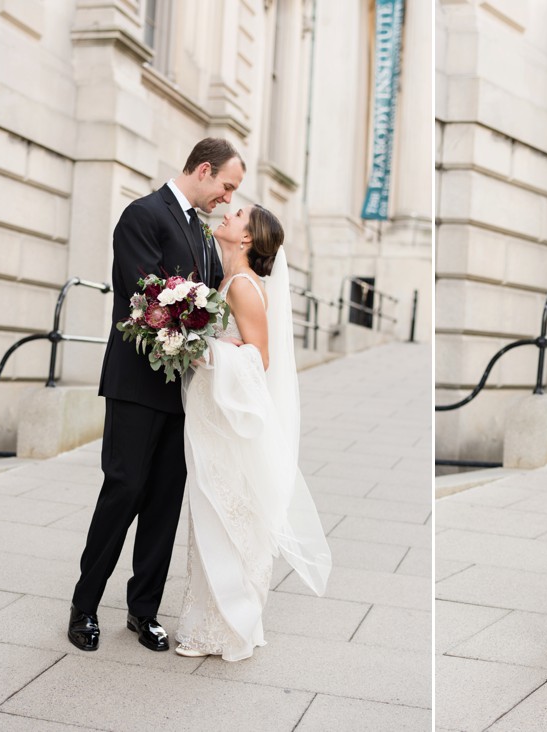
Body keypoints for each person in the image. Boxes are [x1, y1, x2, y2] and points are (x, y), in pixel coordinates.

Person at [68, 138, 246, 653]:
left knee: (165, 502)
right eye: (226, 187)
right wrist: (199, 332)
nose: (228, 199)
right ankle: (84, 604)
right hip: (135, 386)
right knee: (122, 491)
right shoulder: (142, 215)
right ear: (204, 170)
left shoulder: (203, 232)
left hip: (184, 393)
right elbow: (141, 299)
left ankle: (142, 611)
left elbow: (209, 303)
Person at [173, 204, 332, 661]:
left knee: (227, 517)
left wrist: (205, 349)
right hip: (211, 413)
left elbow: (258, 358)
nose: (228, 212)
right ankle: (210, 621)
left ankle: (229, 626)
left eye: (238, 213)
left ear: (247, 237)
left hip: (226, 422)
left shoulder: (243, 286)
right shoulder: (227, 280)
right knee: (212, 514)